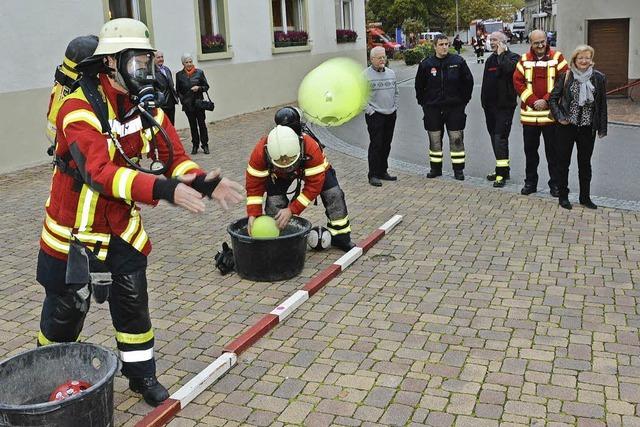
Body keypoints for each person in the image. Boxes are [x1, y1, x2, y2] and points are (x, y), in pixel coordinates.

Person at [37, 18, 244, 407]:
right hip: (72, 234)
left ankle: (141, 375)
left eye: (147, 63)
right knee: (63, 315)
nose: (144, 73)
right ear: (111, 63)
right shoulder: (77, 108)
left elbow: (173, 158)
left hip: (120, 228)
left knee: (133, 305)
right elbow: (100, 174)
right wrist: (166, 190)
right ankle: (46, 372)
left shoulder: (141, 107)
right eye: (137, 64)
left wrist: (201, 181)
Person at [245, 111, 355, 252]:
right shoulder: (259, 152)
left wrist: (292, 210)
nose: (286, 165)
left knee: (334, 194)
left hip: (309, 168)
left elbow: (314, 186)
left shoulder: (311, 148)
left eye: (290, 161)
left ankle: (341, 237)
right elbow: (254, 186)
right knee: (274, 203)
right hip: (276, 175)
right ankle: (279, 240)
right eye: (280, 162)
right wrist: (253, 214)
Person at [550, 45, 607, 210]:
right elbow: (553, 99)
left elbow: (602, 105)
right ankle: (563, 196)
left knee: (585, 163)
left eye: (587, 58)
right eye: (580, 58)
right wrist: (560, 117)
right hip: (566, 127)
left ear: (591, 59)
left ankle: (585, 197)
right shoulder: (565, 76)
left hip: (587, 128)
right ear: (574, 60)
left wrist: (602, 128)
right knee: (563, 163)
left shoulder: (598, 78)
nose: (584, 61)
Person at [513, 29, 568, 196]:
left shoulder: (557, 58)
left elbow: (564, 79)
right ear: (531, 43)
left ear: (546, 40)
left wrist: (545, 99)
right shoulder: (524, 60)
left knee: (554, 154)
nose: (540, 45)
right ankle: (530, 183)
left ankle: (556, 185)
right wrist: (532, 101)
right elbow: (517, 82)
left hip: (551, 116)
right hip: (530, 117)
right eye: (536, 43)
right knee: (530, 153)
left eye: (542, 41)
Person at [415, 33, 474, 181]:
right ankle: (435, 169)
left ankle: (458, 170)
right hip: (432, 108)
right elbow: (419, 87)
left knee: (456, 139)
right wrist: (424, 103)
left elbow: (468, 83)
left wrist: (462, 102)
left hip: (454, 108)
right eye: (441, 44)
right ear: (434, 46)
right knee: (434, 140)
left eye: (446, 44)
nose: (444, 47)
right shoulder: (426, 64)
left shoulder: (458, 61)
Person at [481, 31, 521, 188]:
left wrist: (501, 54)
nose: (492, 42)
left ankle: (501, 174)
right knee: (494, 138)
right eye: (491, 40)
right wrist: (483, 102)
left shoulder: (513, 58)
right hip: (489, 108)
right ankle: (503, 169)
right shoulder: (490, 60)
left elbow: (508, 70)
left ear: (504, 42)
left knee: (500, 139)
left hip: (504, 107)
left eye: (495, 40)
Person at [364, 46, 399, 187]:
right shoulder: (365, 75)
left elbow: (396, 92)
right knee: (376, 145)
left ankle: (383, 171)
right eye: (379, 58)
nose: (382, 60)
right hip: (375, 115)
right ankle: (373, 174)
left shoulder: (391, 73)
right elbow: (360, 97)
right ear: (371, 59)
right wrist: (370, 111)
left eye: (384, 57)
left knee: (386, 144)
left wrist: (395, 106)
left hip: (391, 113)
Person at [176, 53, 210, 155]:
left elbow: (206, 86)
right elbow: (178, 91)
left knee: (202, 124)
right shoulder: (179, 75)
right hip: (188, 105)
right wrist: (183, 101)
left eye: (190, 61)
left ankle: (205, 145)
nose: (189, 64)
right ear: (183, 63)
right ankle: (195, 145)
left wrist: (199, 88)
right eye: (186, 62)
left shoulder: (199, 73)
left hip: (199, 103)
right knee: (193, 126)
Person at [154, 50, 179, 124]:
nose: (161, 59)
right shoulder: (152, 72)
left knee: (171, 124)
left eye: (162, 57)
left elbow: (171, 84)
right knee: (163, 126)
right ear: (154, 59)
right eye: (158, 57)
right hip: (162, 104)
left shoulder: (167, 69)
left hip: (171, 102)